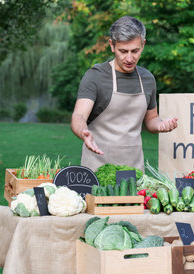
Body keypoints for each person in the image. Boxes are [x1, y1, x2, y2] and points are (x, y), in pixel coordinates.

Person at [71, 16, 178, 172]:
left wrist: (161, 125)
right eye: (123, 51)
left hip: (134, 170)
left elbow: (151, 120)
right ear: (112, 46)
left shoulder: (147, 79)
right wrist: (83, 133)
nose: (129, 58)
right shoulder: (96, 76)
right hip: (97, 168)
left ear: (143, 44)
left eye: (135, 51)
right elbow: (78, 116)